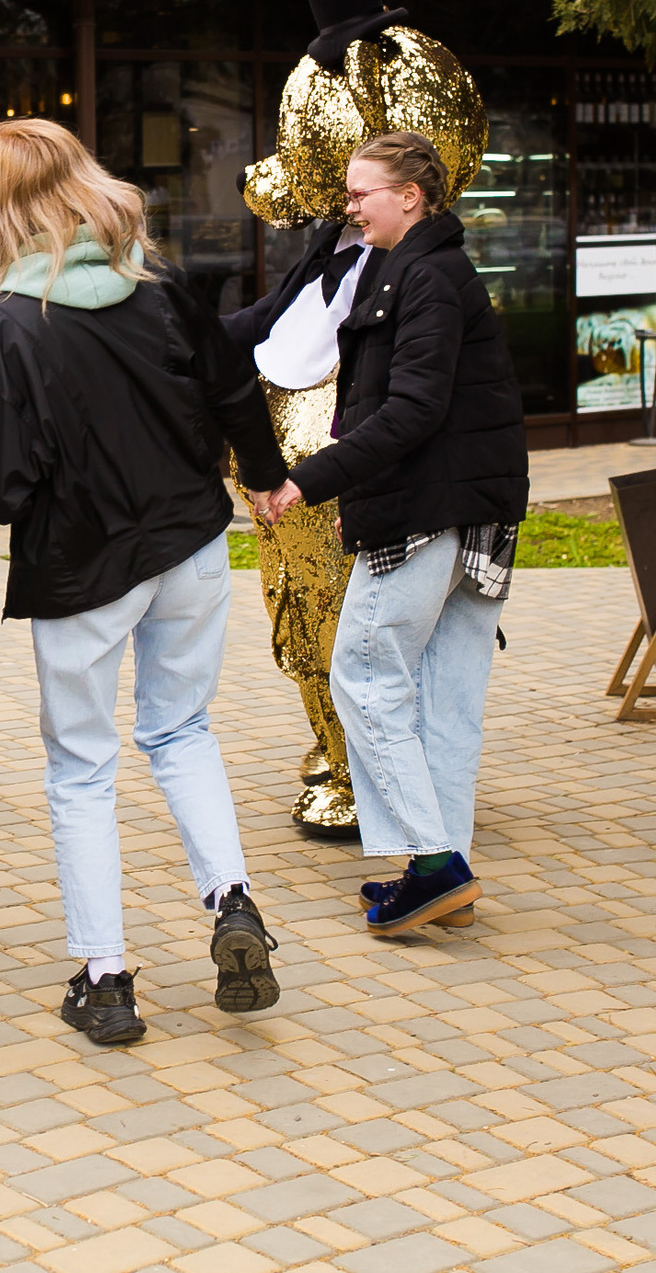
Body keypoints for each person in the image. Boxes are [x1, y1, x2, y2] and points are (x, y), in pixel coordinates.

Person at [0, 119, 291, 1046]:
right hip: (188, 541)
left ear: (10, 203)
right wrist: (263, 476)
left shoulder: (5, 324)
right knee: (183, 729)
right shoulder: (159, 281)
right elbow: (231, 390)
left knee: (83, 770)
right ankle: (232, 900)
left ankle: (105, 978)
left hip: (81, 564)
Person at [254, 131, 528, 936]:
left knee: (365, 675)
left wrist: (311, 479)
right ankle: (435, 872)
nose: (349, 204)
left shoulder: (427, 277)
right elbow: (395, 405)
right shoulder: (417, 269)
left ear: (411, 195)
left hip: (434, 512)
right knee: (441, 696)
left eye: (362, 191)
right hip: (466, 509)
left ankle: (436, 864)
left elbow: (411, 410)